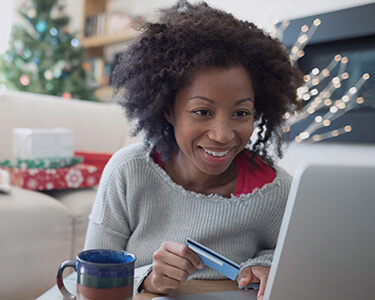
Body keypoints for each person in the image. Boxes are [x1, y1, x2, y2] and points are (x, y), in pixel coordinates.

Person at [84, 1, 303, 299]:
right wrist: (148, 278)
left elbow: (294, 257)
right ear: (168, 111)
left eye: (241, 113)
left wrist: (264, 266)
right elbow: (92, 278)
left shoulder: (275, 189)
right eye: (202, 112)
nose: (222, 135)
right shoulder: (127, 172)